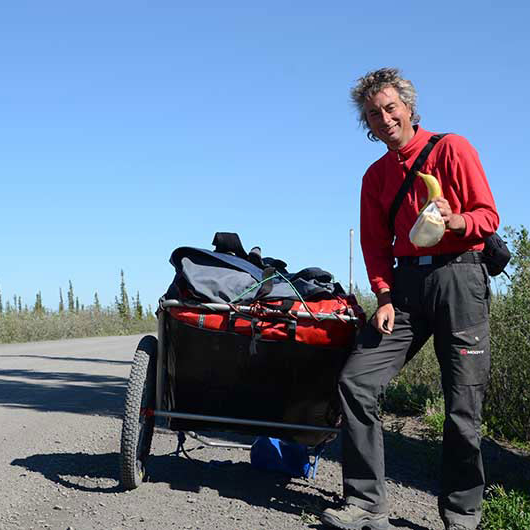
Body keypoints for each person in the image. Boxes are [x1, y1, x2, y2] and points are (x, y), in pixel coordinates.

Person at [321, 68, 499, 530]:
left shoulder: (451, 148)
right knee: (357, 382)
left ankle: (462, 514)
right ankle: (363, 502)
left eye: (390, 108)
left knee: (462, 402)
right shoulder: (375, 176)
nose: (384, 119)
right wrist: (382, 294)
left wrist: (455, 220)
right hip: (403, 288)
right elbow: (374, 244)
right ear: (368, 124)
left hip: (461, 278)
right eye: (374, 115)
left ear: (408, 108)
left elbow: (488, 215)